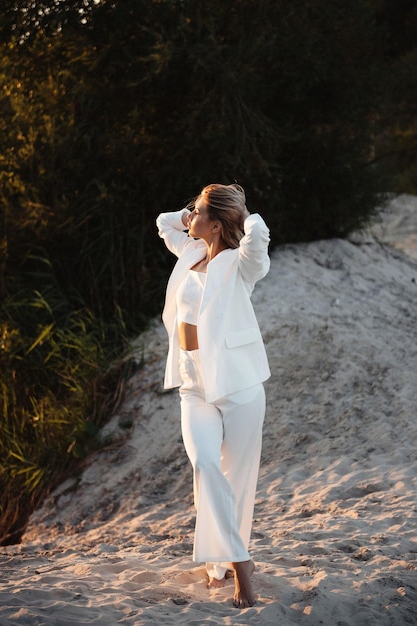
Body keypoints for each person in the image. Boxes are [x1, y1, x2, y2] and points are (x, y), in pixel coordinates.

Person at [156, 183, 270, 608]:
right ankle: (243, 566)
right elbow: (163, 222)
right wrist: (192, 217)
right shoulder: (189, 252)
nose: (190, 215)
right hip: (194, 382)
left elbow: (257, 232)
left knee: (236, 480)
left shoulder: (242, 265)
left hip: (239, 385)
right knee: (205, 463)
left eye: (199, 211)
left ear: (219, 224)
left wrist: (240, 211)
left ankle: (223, 564)